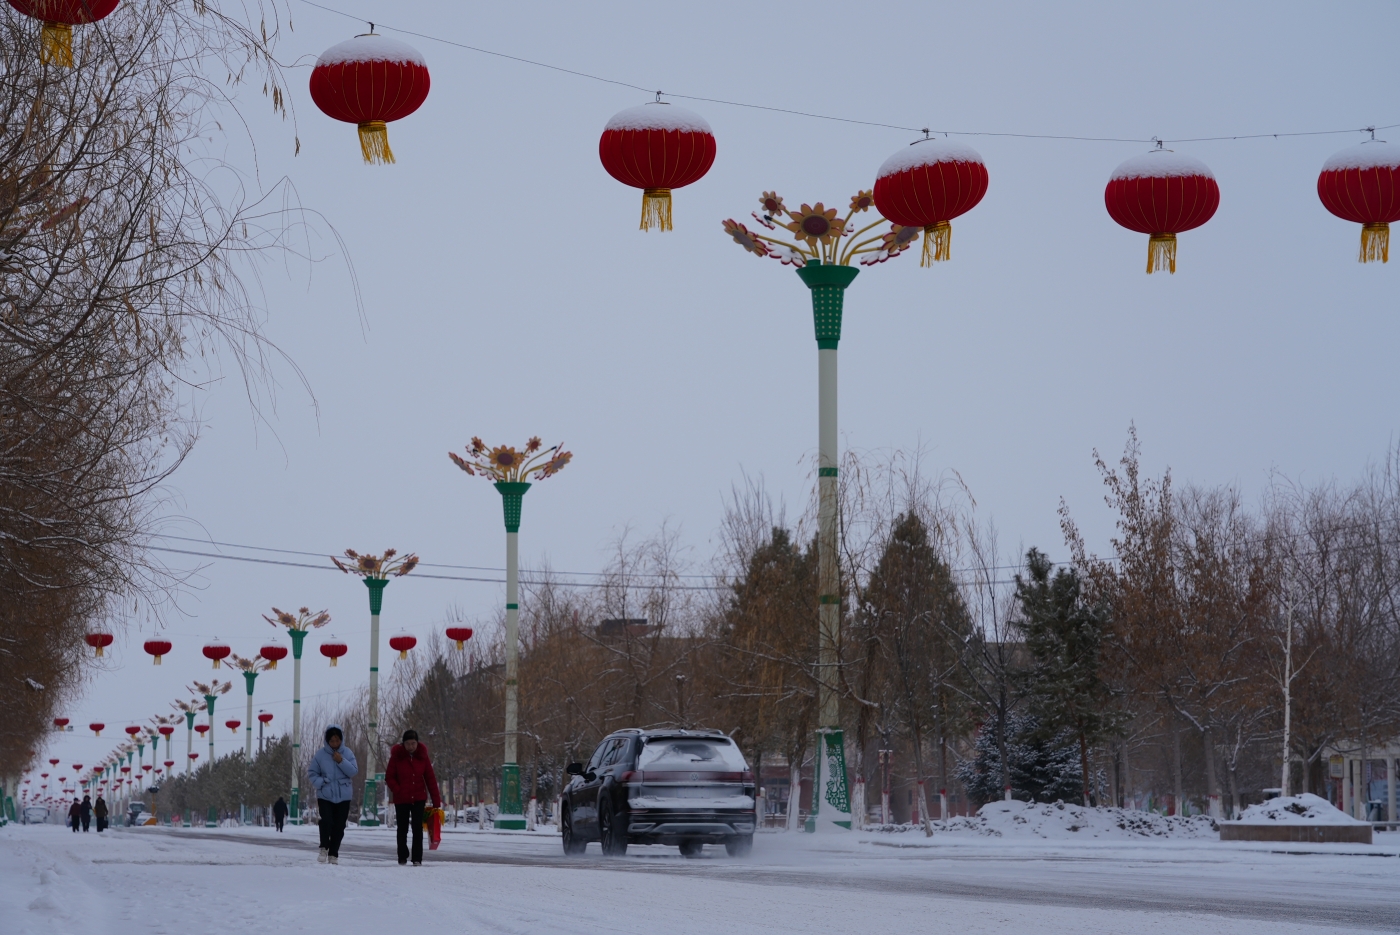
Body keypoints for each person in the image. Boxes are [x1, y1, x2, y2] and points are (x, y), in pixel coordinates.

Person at [384, 729, 441, 866]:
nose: (411, 746)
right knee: (402, 828)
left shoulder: (422, 757)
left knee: (417, 828)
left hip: (418, 798)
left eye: (413, 743)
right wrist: (398, 790)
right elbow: (389, 777)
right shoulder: (396, 757)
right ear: (403, 744)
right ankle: (402, 856)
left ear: (417, 743)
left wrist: (436, 800)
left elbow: (430, 779)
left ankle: (417, 858)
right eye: (408, 744)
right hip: (401, 799)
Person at [307, 724, 357, 864]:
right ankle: (324, 847)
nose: (335, 743)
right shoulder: (320, 755)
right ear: (327, 741)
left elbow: (353, 771)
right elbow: (312, 773)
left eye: (337, 740)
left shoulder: (347, 753)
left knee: (339, 826)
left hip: (344, 795)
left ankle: (333, 853)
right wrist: (321, 782)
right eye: (332, 741)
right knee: (327, 821)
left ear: (341, 740)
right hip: (325, 795)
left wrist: (341, 761)